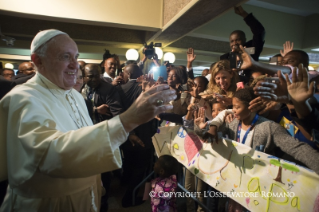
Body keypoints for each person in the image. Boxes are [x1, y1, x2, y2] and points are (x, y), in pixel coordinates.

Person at [0, 29, 177, 211]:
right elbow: (52, 156)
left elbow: (84, 138)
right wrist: (127, 120)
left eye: (76, 57)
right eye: (65, 57)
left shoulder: (75, 96)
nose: (75, 65)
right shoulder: (23, 98)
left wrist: (95, 176)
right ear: (38, 60)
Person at [195, 87, 319, 211]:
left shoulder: (269, 128)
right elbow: (208, 136)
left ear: (251, 107)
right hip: (236, 185)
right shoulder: (232, 124)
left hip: (259, 190)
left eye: (237, 107)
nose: (233, 110)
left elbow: (297, 148)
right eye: (233, 106)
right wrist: (200, 127)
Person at [220, 5, 265, 82]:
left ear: (244, 40)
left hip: (249, 85)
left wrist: (244, 14)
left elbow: (259, 31)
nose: (234, 43)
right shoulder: (225, 57)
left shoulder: (252, 50)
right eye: (232, 41)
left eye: (238, 40)